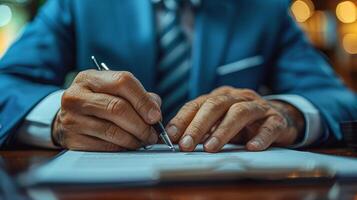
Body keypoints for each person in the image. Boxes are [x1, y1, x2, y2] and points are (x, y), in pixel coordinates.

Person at [0, 0, 356, 152]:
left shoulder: (265, 9)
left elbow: (339, 102)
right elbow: (6, 84)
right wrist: (58, 121)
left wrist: (285, 115)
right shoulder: (79, 4)